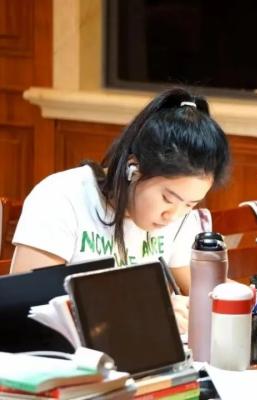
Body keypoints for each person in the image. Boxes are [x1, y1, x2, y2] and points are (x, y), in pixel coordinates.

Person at [10, 88, 230, 332]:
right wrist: (150, 311)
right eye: (167, 198)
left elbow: (202, 289)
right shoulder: (62, 196)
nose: (173, 215)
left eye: (190, 204)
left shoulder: (180, 217)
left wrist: (251, 298)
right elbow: (27, 310)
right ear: (133, 168)